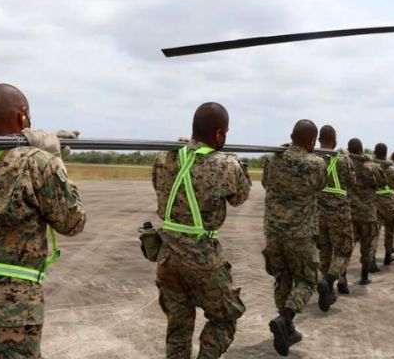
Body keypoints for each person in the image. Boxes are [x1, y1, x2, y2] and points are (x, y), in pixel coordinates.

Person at [0, 83, 86, 359]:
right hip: (13, 303)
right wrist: (54, 162)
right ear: (22, 115)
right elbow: (73, 222)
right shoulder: (38, 163)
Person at [152, 102, 251, 359]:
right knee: (225, 318)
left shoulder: (164, 158)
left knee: (178, 325)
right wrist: (239, 164)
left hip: (168, 257)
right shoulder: (225, 165)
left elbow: (158, 185)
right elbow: (240, 196)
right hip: (202, 259)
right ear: (219, 134)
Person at [261, 120, 327, 356]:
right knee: (308, 280)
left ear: (290, 136)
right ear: (312, 141)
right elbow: (320, 186)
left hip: (273, 233)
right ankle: (285, 318)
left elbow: (266, 182)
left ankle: (287, 329)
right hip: (300, 234)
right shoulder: (317, 163)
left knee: (282, 279)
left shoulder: (271, 160)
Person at [315, 125, 355, 312]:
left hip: (318, 212)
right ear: (335, 139)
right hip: (338, 211)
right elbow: (352, 182)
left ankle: (328, 291)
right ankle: (329, 279)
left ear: (319, 140)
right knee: (344, 250)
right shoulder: (342, 159)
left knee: (325, 250)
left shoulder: (314, 158)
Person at [347, 138, 381, 285]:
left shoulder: (345, 163)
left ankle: (342, 277)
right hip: (367, 213)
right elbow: (382, 182)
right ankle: (364, 276)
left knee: (346, 247)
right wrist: (371, 163)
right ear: (361, 150)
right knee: (367, 246)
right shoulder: (370, 166)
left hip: (350, 212)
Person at [372, 143, 394, 269]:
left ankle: (371, 260)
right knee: (390, 230)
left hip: (375, 201)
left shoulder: (371, 167)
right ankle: (388, 255)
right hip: (389, 202)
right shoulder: (392, 169)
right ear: (386, 153)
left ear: (375, 152)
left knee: (374, 233)